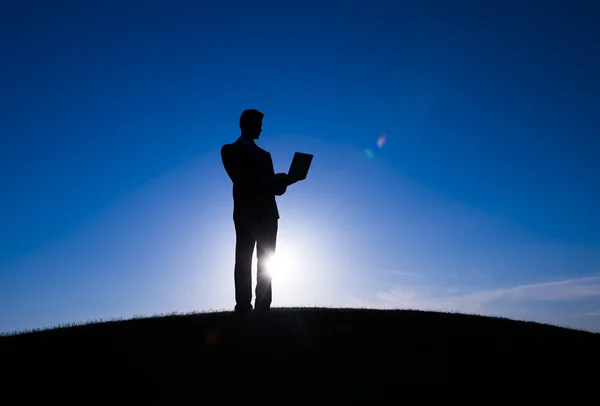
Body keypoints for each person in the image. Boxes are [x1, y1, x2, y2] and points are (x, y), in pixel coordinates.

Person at [221, 109, 297, 314]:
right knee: (244, 259)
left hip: (269, 214)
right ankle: (243, 306)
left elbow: (273, 190)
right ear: (245, 124)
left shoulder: (266, 155)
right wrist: (272, 180)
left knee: (266, 261)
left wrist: (287, 181)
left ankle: (263, 306)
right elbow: (241, 179)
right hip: (246, 213)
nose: (261, 128)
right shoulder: (229, 150)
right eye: (258, 124)